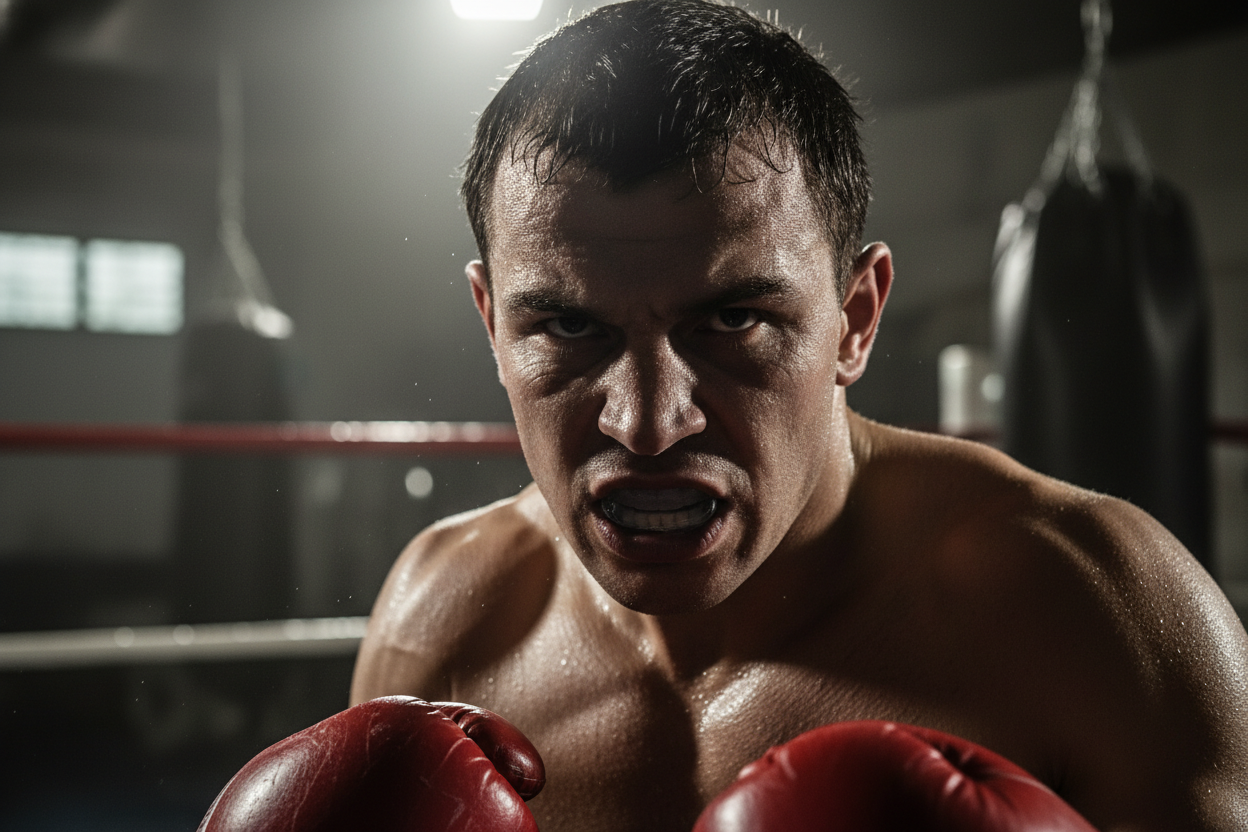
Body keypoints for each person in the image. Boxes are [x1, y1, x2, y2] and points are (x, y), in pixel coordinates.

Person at [349, 1, 1248, 830]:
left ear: (855, 319)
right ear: (492, 325)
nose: (650, 425)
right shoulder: (444, 629)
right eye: (568, 326)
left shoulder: (1096, 620)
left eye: (734, 321)